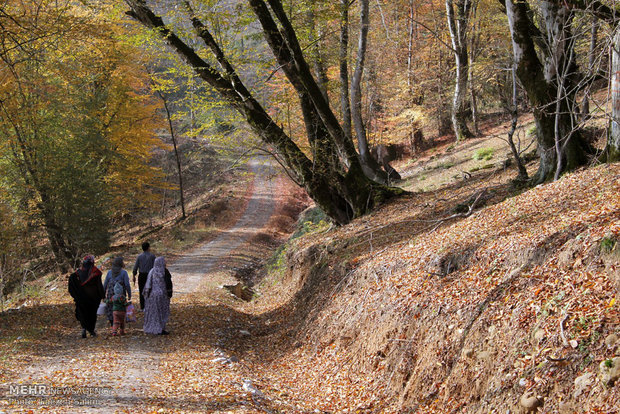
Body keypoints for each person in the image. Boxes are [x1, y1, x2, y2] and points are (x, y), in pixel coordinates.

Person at [68, 255, 104, 338]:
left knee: (83, 313)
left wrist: (76, 296)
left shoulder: (76, 274)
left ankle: (84, 328)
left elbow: (72, 288)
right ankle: (91, 331)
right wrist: (102, 295)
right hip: (93, 297)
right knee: (92, 314)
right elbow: (99, 285)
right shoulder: (96, 272)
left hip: (81, 298)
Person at [143, 257, 173, 335]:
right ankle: (160, 328)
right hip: (162, 295)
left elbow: (148, 284)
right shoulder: (164, 272)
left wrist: (146, 295)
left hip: (152, 296)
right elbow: (168, 283)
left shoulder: (151, 271)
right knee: (161, 313)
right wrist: (170, 293)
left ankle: (151, 327)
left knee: (153, 313)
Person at [103, 257, 131, 327]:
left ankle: (113, 324)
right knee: (121, 308)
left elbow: (105, 284)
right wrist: (129, 294)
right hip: (121, 295)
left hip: (110, 294)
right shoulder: (124, 273)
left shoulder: (109, 272)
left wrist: (103, 294)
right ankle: (121, 325)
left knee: (110, 308)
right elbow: (127, 284)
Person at [133, 242, 155, 311]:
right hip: (150, 275)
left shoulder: (139, 256)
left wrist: (134, 275)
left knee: (141, 290)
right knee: (150, 290)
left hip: (141, 275)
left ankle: (142, 306)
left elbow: (135, 267)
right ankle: (150, 305)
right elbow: (155, 266)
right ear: (148, 247)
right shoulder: (152, 256)